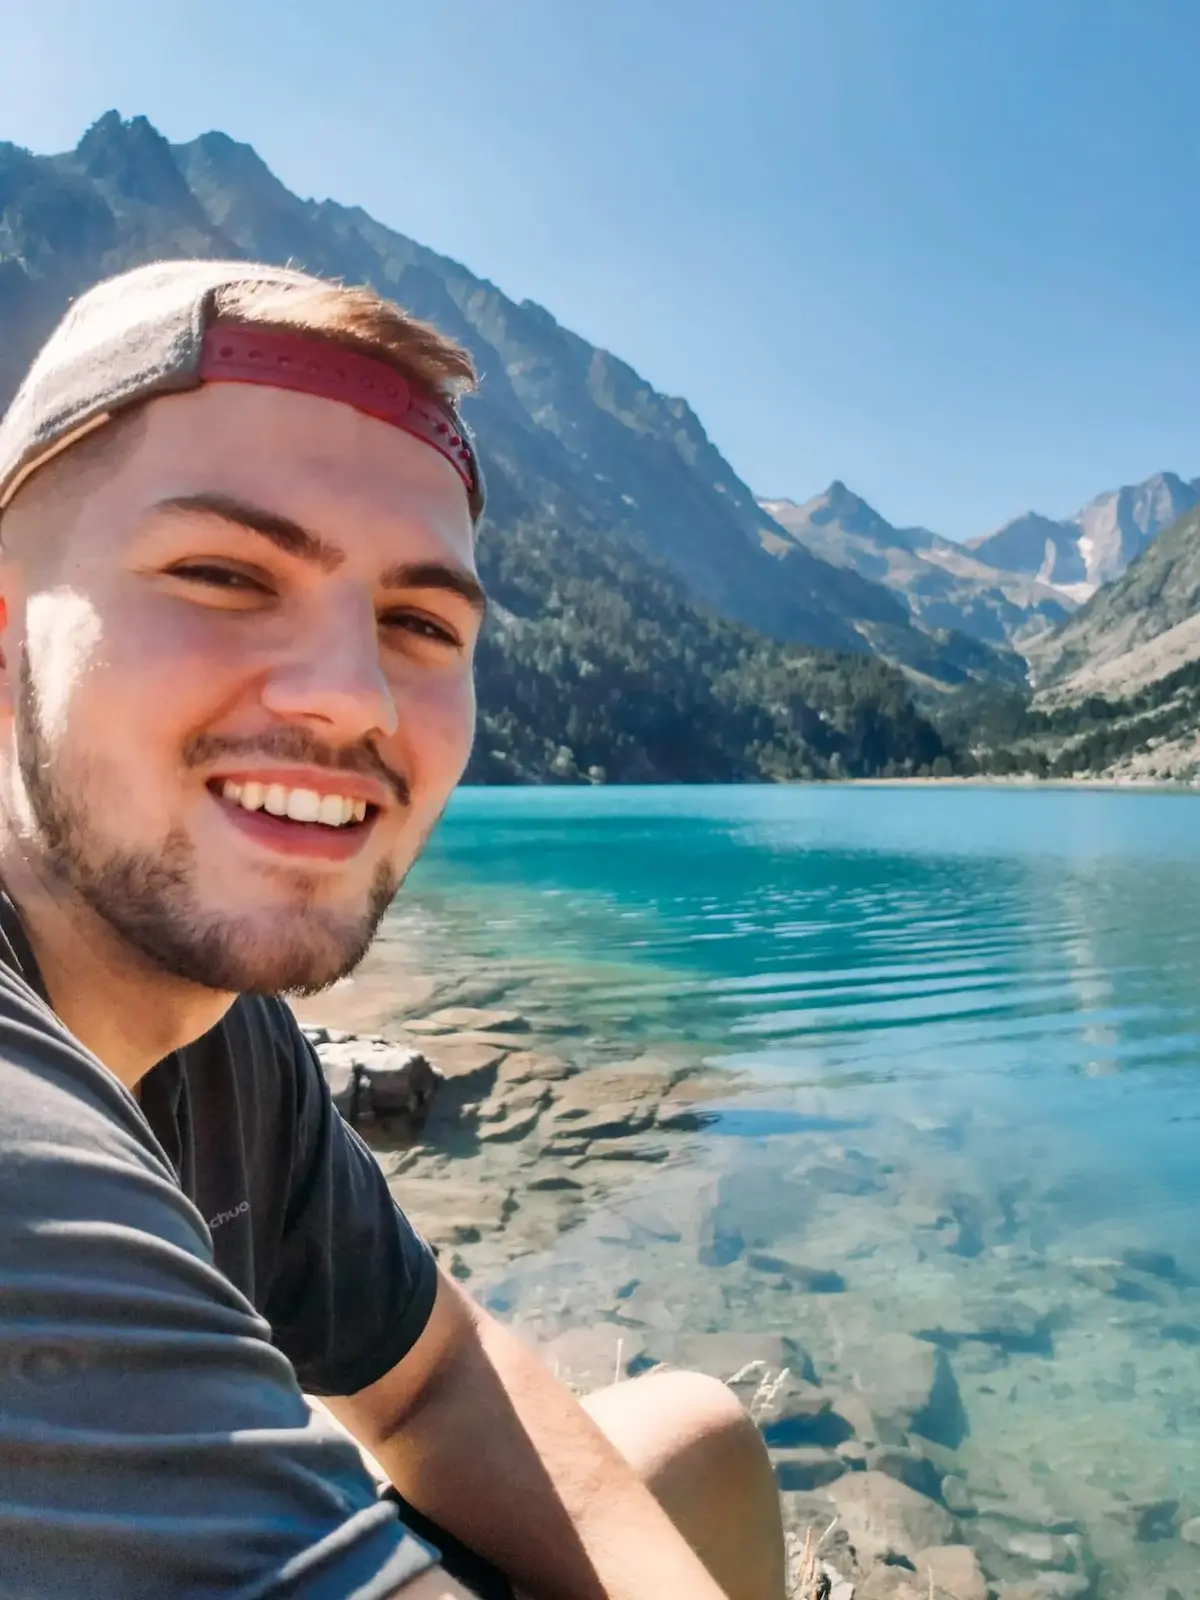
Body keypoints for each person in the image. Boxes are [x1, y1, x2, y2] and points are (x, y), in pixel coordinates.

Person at [0, 260, 788, 1600]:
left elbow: (435, 1375)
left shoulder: (226, 1040)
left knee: (695, 1443)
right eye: (222, 572)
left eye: (421, 621)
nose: (352, 698)